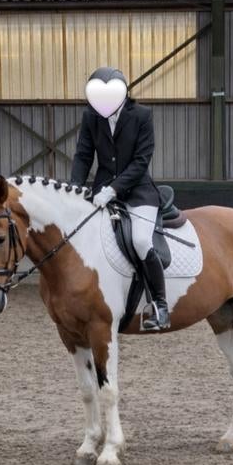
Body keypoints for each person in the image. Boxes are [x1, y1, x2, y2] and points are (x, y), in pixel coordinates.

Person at [70, 66, 170, 330]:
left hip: (138, 192)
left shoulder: (142, 116)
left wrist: (113, 189)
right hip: (101, 192)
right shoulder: (91, 116)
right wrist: (75, 188)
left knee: (140, 240)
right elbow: (83, 155)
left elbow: (141, 161)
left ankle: (160, 306)